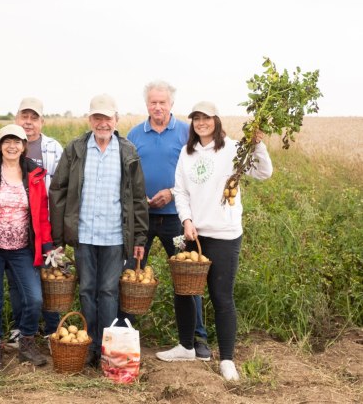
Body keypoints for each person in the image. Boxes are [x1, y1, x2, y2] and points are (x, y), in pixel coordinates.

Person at [156, 101, 272, 382]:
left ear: (216, 120)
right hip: (194, 234)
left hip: (224, 234)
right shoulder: (187, 153)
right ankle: (186, 346)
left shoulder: (233, 149)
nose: (201, 123)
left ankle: (227, 359)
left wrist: (257, 145)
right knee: (184, 291)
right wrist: (186, 220)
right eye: (196, 118)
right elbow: (181, 191)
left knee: (221, 297)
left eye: (206, 118)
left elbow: (263, 172)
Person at [49, 94, 149, 368]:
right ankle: (89, 345)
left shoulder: (127, 151)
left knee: (108, 291)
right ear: (90, 120)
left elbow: (138, 197)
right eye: (97, 118)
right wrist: (58, 238)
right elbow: (58, 191)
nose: (102, 123)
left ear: (116, 120)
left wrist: (139, 237)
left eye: (107, 118)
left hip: (115, 236)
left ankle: (107, 348)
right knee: (86, 289)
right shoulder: (76, 149)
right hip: (84, 234)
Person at [126, 80, 210, 360]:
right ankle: (124, 333)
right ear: (146, 104)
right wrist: (139, 196)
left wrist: (172, 193)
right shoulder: (135, 134)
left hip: (176, 220)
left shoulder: (186, 132)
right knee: (132, 274)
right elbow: (127, 174)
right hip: (143, 220)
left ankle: (197, 338)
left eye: (162, 102)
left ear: (171, 104)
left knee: (187, 277)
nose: (158, 107)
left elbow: (197, 173)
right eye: (153, 102)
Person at [0, 124, 53, 371]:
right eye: (7, 141)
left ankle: (26, 342)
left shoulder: (33, 175)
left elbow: (42, 214)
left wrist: (47, 245)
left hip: (23, 249)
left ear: (24, 146)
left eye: (17, 142)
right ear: (0, 145)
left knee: (34, 298)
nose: (12, 146)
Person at [6, 97, 63, 347]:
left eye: (33, 118)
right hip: (13, 228)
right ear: (16, 118)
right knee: (16, 282)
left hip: (45, 226)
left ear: (42, 122)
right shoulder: (6, 146)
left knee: (50, 279)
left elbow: (62, 189)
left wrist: (59, 229)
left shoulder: (53, 148)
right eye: (24, 117)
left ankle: (52, 330)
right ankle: (20, 329)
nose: (28, 122)